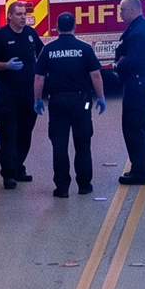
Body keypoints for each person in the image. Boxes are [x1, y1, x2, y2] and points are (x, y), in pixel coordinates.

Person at [33, 12, 105, 198]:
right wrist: (101, 97)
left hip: (57, 102)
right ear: (75, 27)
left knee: (59, 145)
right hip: (81, 102)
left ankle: (62, 188)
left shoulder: (48, 50)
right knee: (82, 144)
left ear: (56, 27)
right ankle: (84, 185)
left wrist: (37, 99)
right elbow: (95, 74)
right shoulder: (84, 48)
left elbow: (39, 77)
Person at [0, 1, 44, 190]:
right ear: (10, 16)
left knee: (25, 132)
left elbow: (42, 54)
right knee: (9, 134)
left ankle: (19, 167)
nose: (23, 17)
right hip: (7, 92)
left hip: (28, 91)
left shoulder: (31, 34)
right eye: (18, 14)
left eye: (24, 14)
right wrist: (6, 66)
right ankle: (8, 174)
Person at [114, 0, 145, 185]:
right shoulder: (143, 26)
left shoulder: (139, 31)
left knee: (134, 126)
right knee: (142, 126)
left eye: (122, 11)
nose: (120, 14)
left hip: (137, 83)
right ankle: (144, 167)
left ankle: (139, 170)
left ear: (132, 10)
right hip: (143, 82)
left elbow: (133, 60)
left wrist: (118, 65)